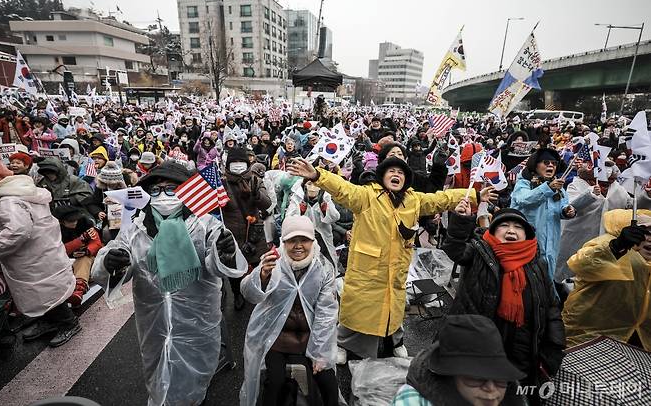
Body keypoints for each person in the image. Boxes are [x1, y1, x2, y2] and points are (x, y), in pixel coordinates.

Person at [287, 156, 485, 363]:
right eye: (391, 171)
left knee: (394, 310)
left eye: (400, 173)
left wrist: (474, 194)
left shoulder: (413, 200)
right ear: (382, 176)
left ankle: (396, 342)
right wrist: (318, 175)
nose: (396, 175)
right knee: (355, 309)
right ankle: (342, 343)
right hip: (367, 270)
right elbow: (343, 189)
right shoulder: (366, 196)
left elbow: (440, 199)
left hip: (396, 271)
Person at [91, 161, 248, 406]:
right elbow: (118, 262)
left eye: (171, 189)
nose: (163, 195)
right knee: (158, 380)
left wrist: (225, 252)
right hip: (154, 325)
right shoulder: (135, 228)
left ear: (185, 192)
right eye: (156, 190)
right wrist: (111, 262)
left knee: (195, 383)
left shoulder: (205, 225)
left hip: (198, 323)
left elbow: (219, 267)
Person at [441, 205, 565, 392]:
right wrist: (461, 219)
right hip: (479, 352)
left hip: (524, 353)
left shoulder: (538, 263)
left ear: (527, 234)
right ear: (493, 230)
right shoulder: (479, 253)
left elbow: (552, 308)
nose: (511, 231)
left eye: (518, 227)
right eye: (504, 225)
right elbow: (455, 249)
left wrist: (554, 349)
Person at [240, 215, 338, 406]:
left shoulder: (323, 268)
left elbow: (326, 314)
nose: (298, 245)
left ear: (313, 241)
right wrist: (261, 276)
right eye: (292, 240)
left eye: (304, 240)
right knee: (274, 383)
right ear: (283, 241)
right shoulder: (273, 262)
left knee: (328, 384)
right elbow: (249, 294)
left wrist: (319, 353)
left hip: (311, 338)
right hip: (276, 338)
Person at [0, 154, 81, 347]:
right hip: (40, 253)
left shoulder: (8, 201)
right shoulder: (22, 192)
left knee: (47, 293)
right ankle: (48, 321)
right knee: (43, 292)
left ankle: (69, 323)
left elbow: (16, 231)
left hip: (33, 258)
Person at [563, 209, 651, 350]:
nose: (649, 238)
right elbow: (581, 264)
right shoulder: (607, 243)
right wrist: (616, 247)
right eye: (644, 231)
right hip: (590, 338)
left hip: (639, 341)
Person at [392, 315, 527, 406]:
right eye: (477, 378)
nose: (491, 388)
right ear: (449, 376)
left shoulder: (512, 397)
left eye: (500, 379)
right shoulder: (412, 401)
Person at [510, 148, 576, 281]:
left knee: (547, 278)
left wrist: (567, 211)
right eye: (546, 162)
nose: (551, 165)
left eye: (554, 163)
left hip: (552, 242)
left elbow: (562, 206)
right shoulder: (524, 183)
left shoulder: (558, 186)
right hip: (527, 242)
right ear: (536, 165)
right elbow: (525, 199)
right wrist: (549, 188)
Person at [222, 147, 271, 310]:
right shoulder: (222, 182)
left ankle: (256, 292)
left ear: (247, 163)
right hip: (231, 233)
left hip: (254, 232)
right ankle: (237, 294)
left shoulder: (255, 180)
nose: (237, 165)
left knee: (258, 265)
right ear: (228, 165)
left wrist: (257, 195)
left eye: (240, 162)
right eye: (233, 163)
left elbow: (267, 203)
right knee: (234, 268)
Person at [54, 205, 103, 307]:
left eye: (76, 219)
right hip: (66, 263)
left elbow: (97, 243)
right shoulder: (53, 230)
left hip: (90, 259)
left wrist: (87, 251)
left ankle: (78, 291)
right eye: (71, 221)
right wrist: (80, 240)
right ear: (61, 221)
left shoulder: (85, 222)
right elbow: (57, 250)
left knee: (83, 259)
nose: (75, 222)